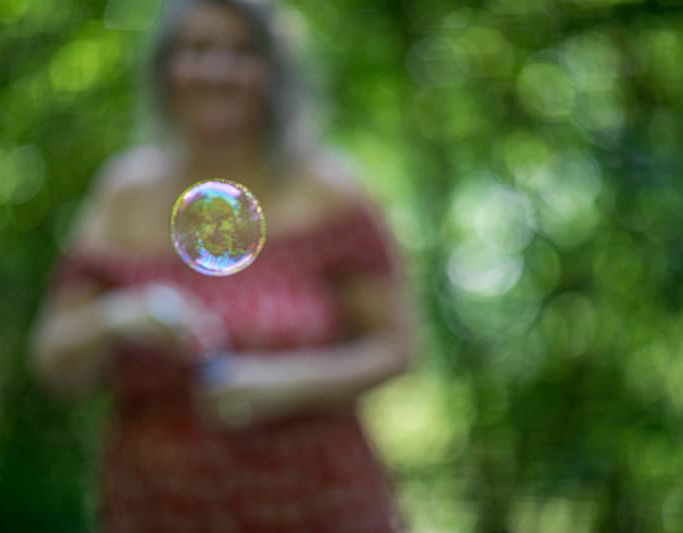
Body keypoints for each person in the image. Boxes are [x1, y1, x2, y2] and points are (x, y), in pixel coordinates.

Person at [29, 0, 414, 531]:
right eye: (197, 49)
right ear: (165, 66)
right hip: (157, 509)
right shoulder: (123, 192)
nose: (216, 70)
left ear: (273, 72)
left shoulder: (332, 189)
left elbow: (399, 348)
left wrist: (285, 384)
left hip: (320, 507)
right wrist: (118, 316)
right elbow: (53, 364)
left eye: (240, 52)